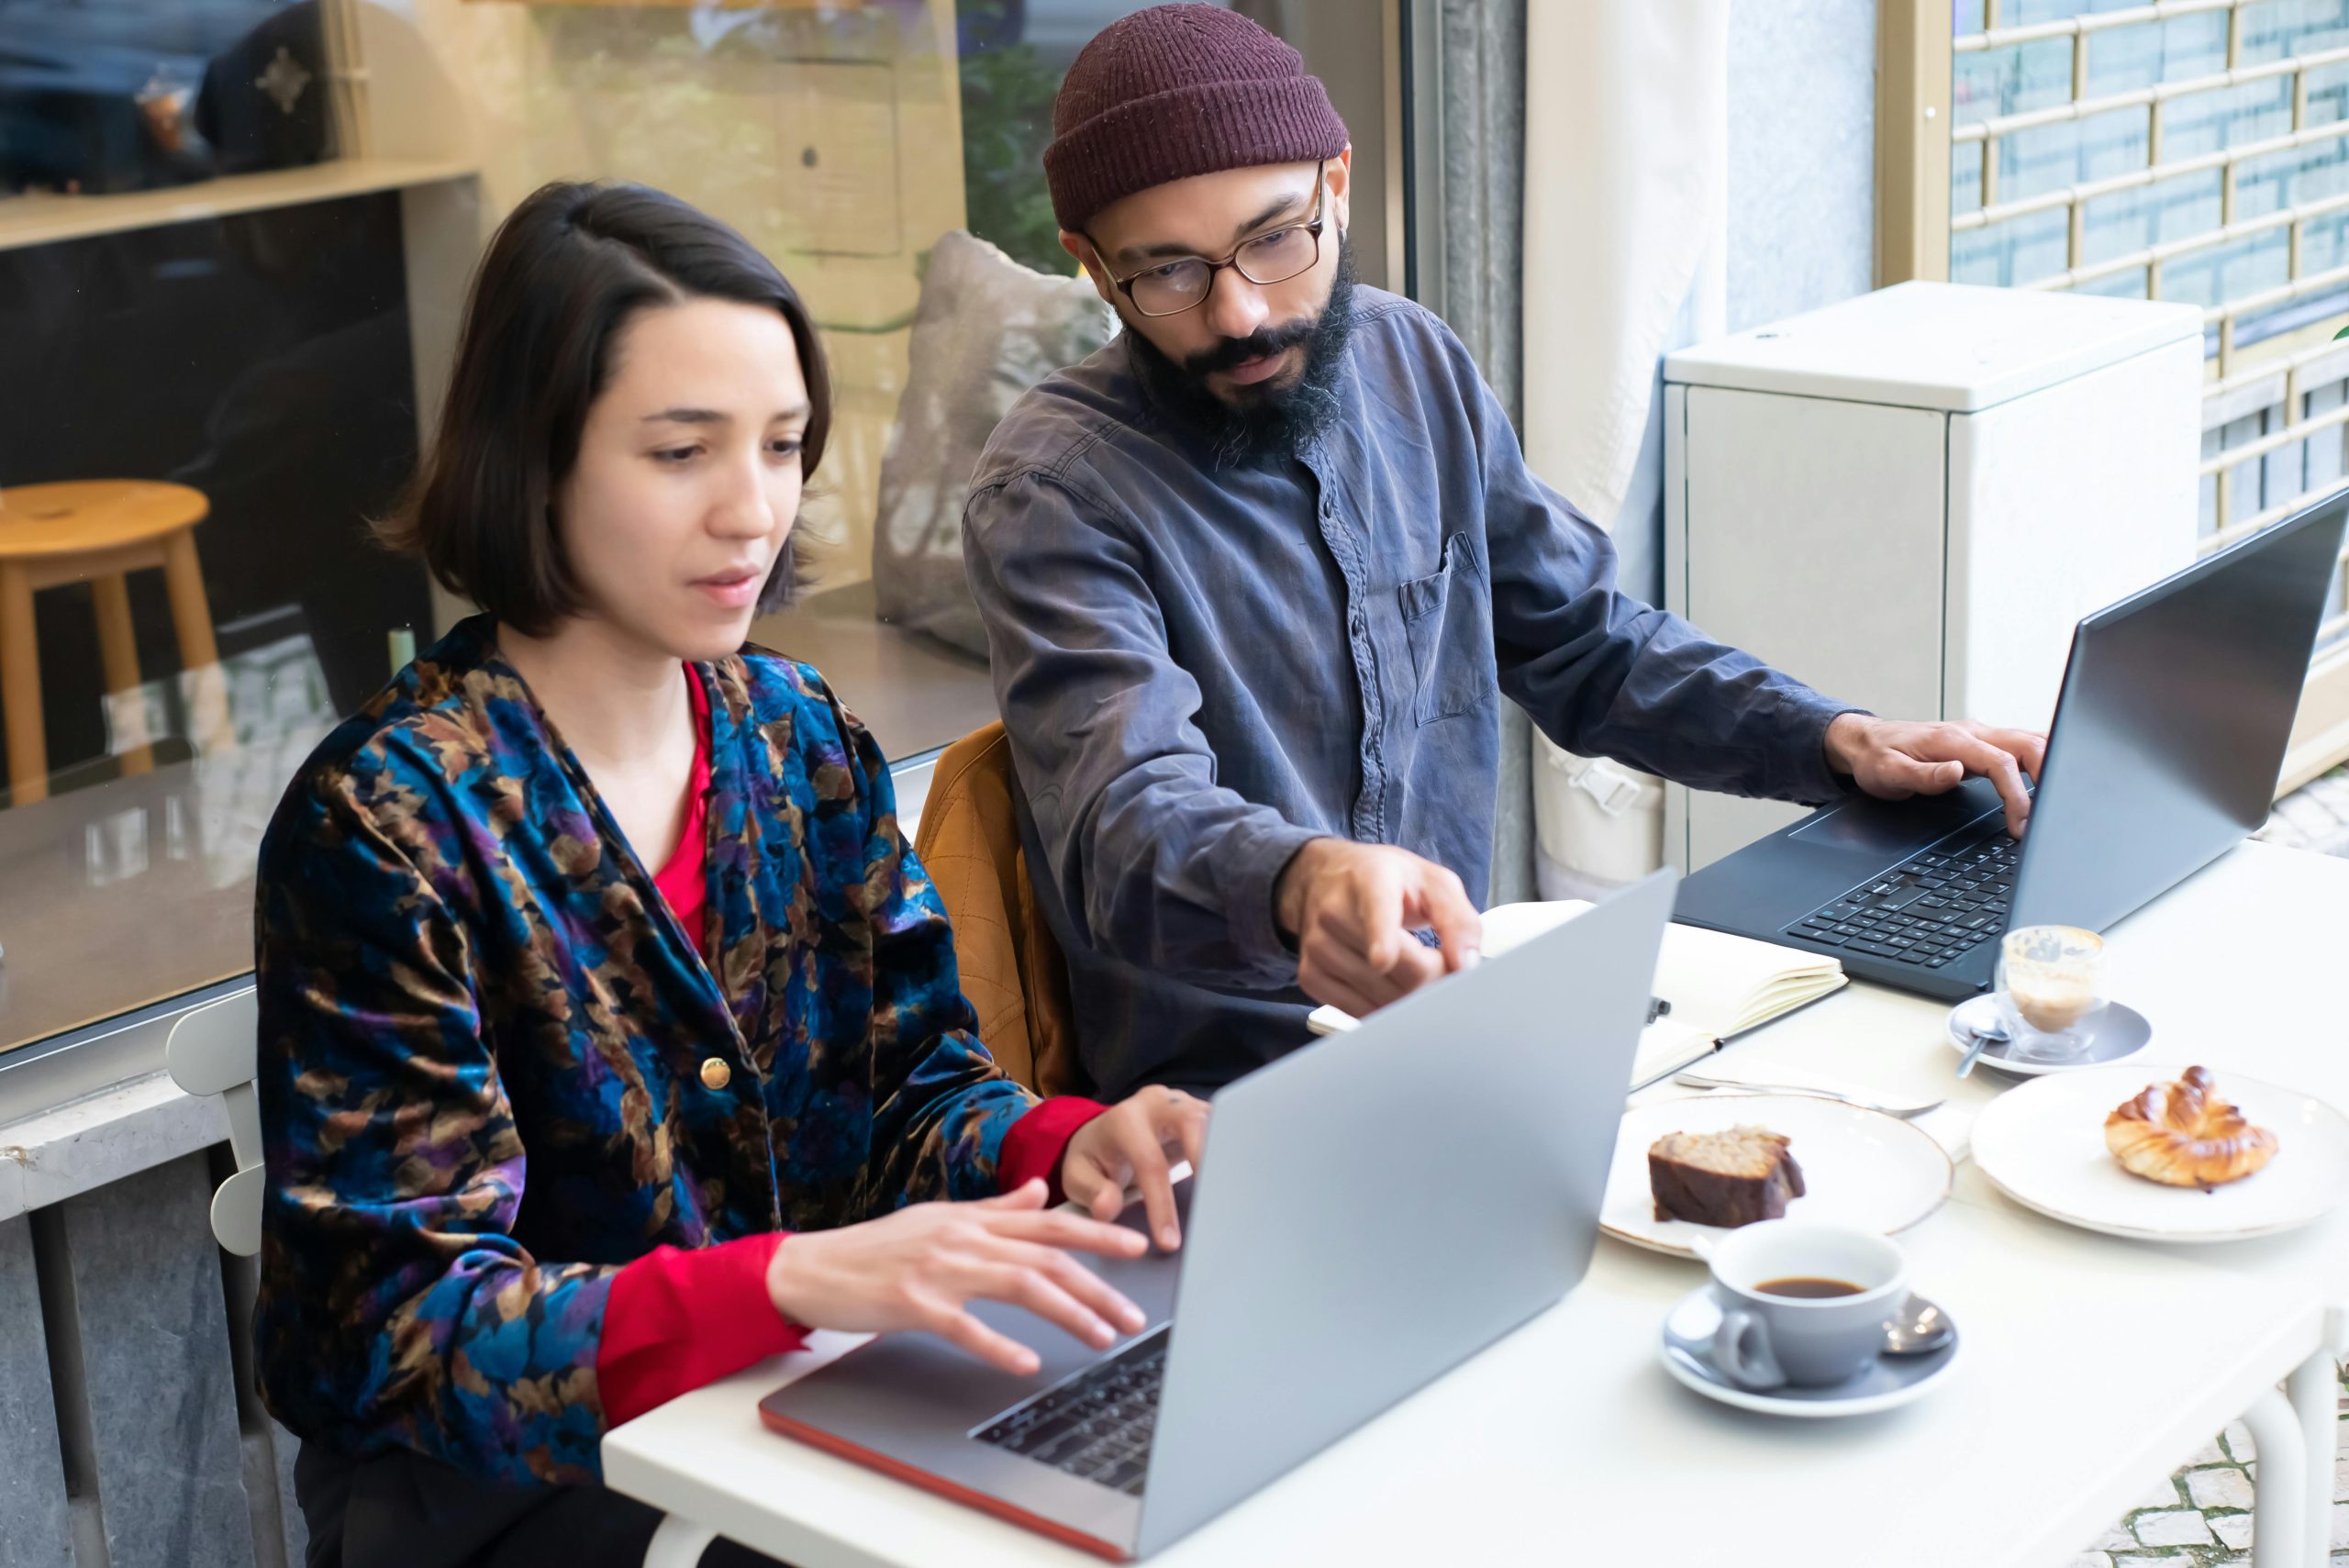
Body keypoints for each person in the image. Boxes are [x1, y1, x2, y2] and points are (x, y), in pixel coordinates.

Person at [250, 180, 1208, 1568]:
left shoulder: (798, 736)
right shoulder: (389, 821)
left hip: (798, 1402)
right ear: (536, 459)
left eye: (783, 444)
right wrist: (788, 1279)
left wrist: (1052, 1146)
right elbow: (382, 1330)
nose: (751, 509)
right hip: (511, 1502)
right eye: (682, 451)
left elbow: (909, 1082)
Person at [962, 4, 2047, 1100]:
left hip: (1466, 1038)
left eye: (1276, 238)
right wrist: (1299, 881)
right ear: (1094, 270)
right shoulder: (1053, 493)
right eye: (1171, 274)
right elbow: (1123, 823)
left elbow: (1585, 644)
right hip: (1232, 1109)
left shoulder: (1413, 364)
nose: (1242, 313)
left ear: (1338, 184)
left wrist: (1832, 737)